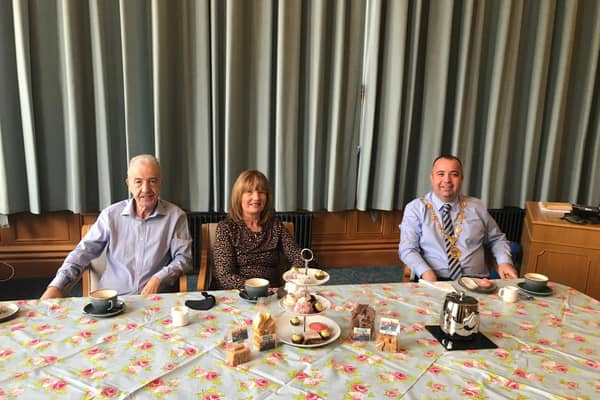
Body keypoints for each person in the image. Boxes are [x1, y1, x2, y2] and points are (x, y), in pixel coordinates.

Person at [41, 154, 192, 299]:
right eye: (138, 181)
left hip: (156, 298)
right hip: (113, 298)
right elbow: (82, 253)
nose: (146, 189)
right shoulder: (110, 215)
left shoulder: (176, 216)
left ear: (160, 182)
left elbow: (184, 258)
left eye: (152, 181)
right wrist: (56, 286)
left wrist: (159, 278)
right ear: (129, 184)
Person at [399, 155, 518, 282]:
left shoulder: (477, 207)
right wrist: (426, 272)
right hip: (434, 279)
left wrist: (505, 262)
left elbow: (497, 239)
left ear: (461, 179)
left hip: (475, 281)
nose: (447, 180)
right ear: (432, 178)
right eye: (441, 174)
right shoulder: (416, 208)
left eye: (454, 174)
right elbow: (408, 249)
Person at [213, 170, 316, 289]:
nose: (256, 197)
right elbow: (225, 275)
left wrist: (296, 273)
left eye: (261, 192)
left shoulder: (275, 225)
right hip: (239, 292)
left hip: (272, 290)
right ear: (238, 196)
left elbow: (298, 255)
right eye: (249, 192)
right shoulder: (226, 228)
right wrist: (256, 287)